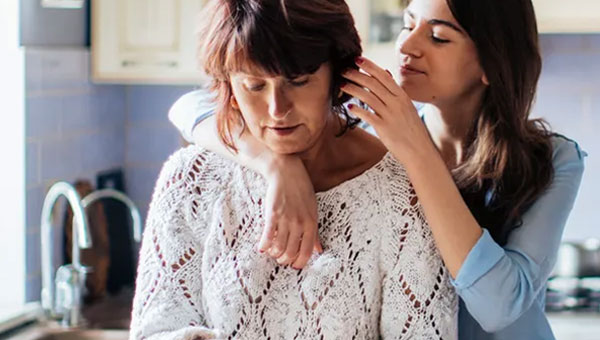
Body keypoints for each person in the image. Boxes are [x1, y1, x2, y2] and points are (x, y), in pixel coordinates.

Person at [169, 0, 587, 339]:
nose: (408, 46)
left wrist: (417, 153)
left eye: (439, 37)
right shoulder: (367, 142)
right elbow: (192, 106)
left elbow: (500, 307)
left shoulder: (553, 160)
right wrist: (275, 163)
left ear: (490, 63)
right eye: (409, 24)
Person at [130, 0, 458, 339]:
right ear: (228, 85)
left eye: (299, 81)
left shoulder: (399, 190)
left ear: (338, 73)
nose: (277, 109)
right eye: (254, 86)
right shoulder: (191, 180)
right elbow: (153, 330)